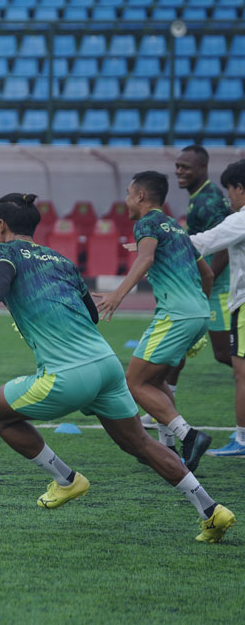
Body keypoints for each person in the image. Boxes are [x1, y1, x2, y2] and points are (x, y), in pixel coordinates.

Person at [0, 192, 234, 543]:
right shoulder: (61, 260)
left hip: (68, 374)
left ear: (0, 225)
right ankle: (212, 510)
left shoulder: (3, 251)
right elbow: (90, 315)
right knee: (140, 442)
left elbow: (1, 275)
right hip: (106, 365)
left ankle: (66, 479)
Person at [96, 172, 214, 471]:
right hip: (198, 312)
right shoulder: (176, 227)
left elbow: (145, 259)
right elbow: (208, 275)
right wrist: (198, 309)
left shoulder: (146, 223)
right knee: (156, 380)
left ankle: (189, 436)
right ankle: (169, 447)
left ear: (140, 196)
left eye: (127, 193)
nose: (125, 200)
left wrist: (118, 294)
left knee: (134, 383)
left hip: (176, 315)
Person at [149, 145, 233, 420]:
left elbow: (224, 247)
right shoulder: (199, 197)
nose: (179, 171)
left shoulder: (208, 200)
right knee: (178, 345)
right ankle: (163, 404)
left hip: (216, 288)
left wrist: (205, 283)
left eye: (186, 167)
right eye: (178, 166)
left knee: (224, 354)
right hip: (204, 285)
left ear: (203, 169)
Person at [191, 159, 245, 457]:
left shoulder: (240, 219)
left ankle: (242, 440)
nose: (229, 199)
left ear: (240, 188)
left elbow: (202, 243)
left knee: (242, 373)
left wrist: (156, 242)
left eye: (231, 190)